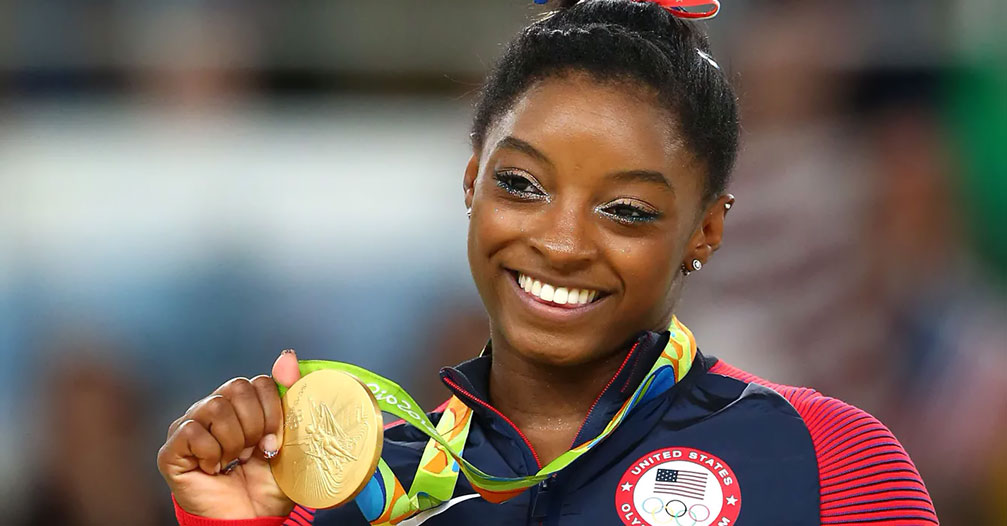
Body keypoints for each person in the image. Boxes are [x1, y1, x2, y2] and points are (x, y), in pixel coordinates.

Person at [157, 1, 939, 524]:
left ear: (705, 231)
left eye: (625, 209)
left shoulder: (828, 462)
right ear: (471, 182)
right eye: (521, 185)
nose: (561, 243)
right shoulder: (339, 486)